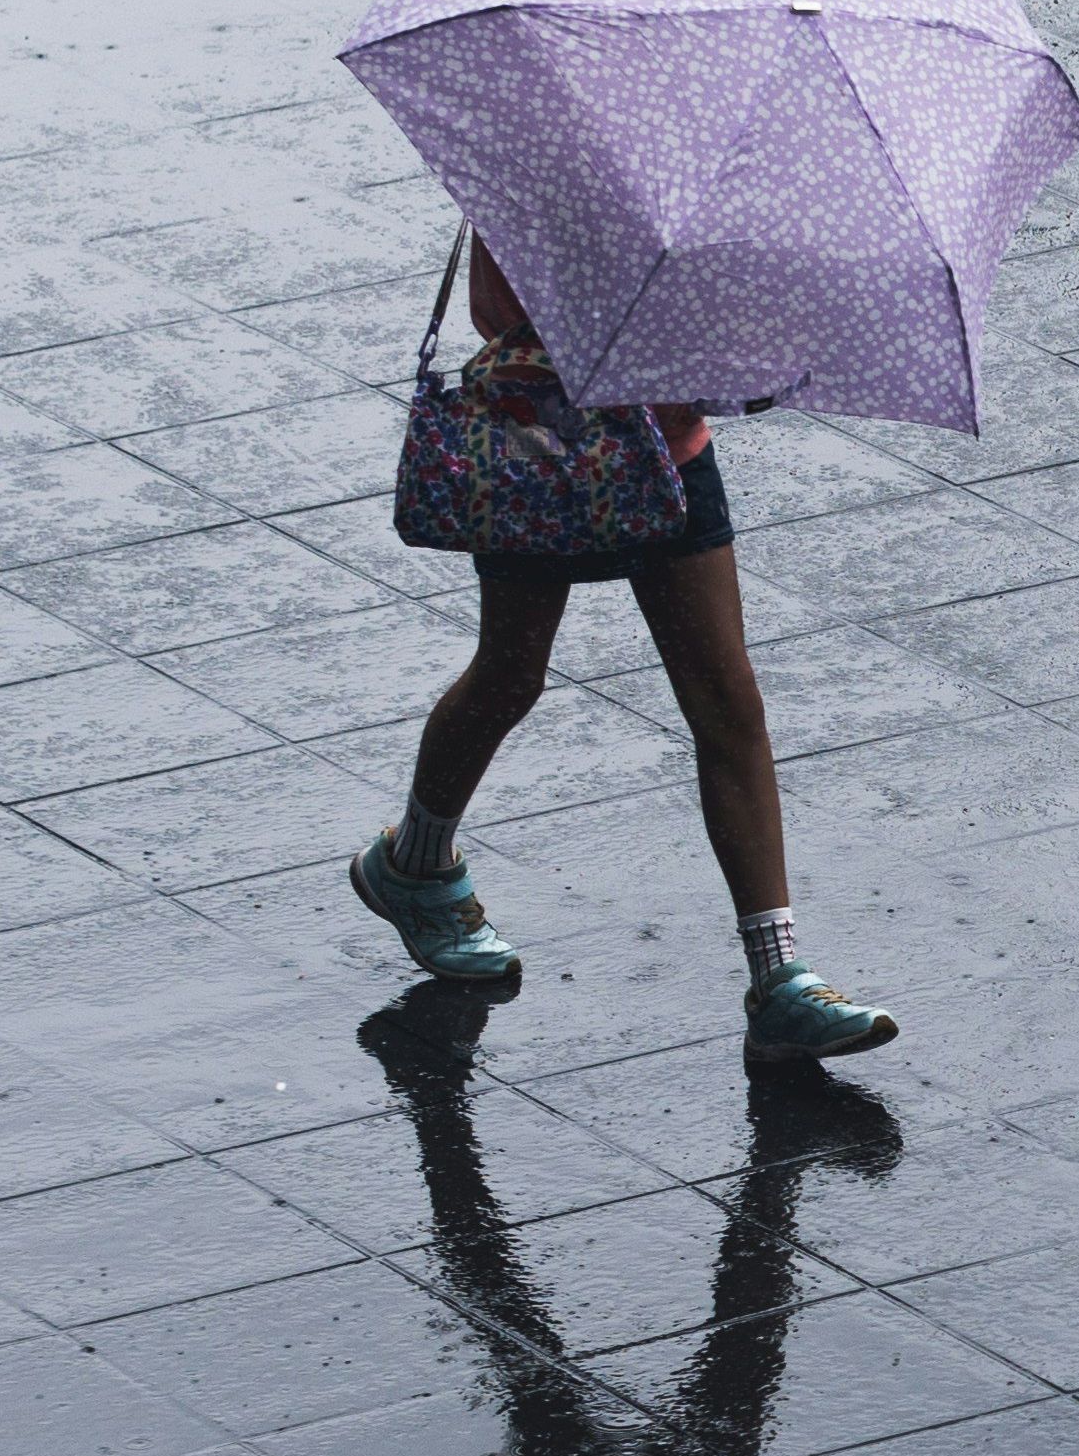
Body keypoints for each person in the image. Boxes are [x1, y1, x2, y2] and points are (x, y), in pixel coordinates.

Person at [349, 237, 896, 1065]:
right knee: (510, 673)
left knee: (725, 700)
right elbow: (558, 311)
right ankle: (415, 862)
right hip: (541, 444)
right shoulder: (539, 145)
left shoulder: (688, 164)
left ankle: (779, 980)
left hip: (667, 448)